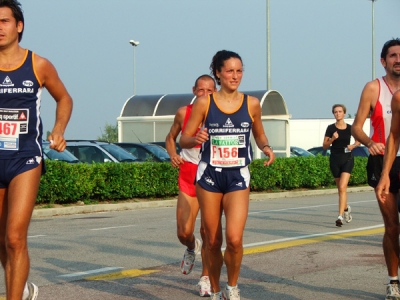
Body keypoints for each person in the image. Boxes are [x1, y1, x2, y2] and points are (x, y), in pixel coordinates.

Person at [180, 50, 275, 300]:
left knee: (233, 239)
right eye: (230, 71)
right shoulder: (204, 103)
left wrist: (266, 147)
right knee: (212, 241)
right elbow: (184, 138)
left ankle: (232, 287)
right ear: (218, 73)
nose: (235, 75)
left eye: (239, 70)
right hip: (210, 176)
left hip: (237, 177)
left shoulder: (252, 103)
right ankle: (214, 288)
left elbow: (259, 133)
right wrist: (195, 137)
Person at [0, 1, 73, 299]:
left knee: (15, 238)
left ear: (19, 26)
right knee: (2, 241)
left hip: (25, 159)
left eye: (4, 21)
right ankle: (24, 288)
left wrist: (58, 130)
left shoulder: (38, 65)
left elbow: (64, 98)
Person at [352, 38, 400, 299]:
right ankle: (393, 281)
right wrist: (369, 142)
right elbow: (356, 126)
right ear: (384, 61)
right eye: (393, 55)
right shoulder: (373, 88)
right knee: (392, 226)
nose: (398, 60)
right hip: (382, 161)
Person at [165, 74, 216, 297]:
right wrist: (173, 154)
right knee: (184, 232)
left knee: (207, 231)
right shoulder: (184, 113)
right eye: (201, 90)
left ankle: (205, 277)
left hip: (211, 174)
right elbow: (170, 137)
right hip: (188, 172)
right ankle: (190, 247)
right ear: (194, 90)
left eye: (210, 91)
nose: (205, 94)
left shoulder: (221, 113)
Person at [323, 104, 360, 227]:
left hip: (347, 159)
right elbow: (324, 145)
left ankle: (339, 217)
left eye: (340, 111)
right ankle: (345, 208)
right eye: (335, 112)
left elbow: (358, 140)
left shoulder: (350, 128)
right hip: (335, 159)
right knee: (340, 189)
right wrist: (332, 139)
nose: (338, 114)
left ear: (344, 113)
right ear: (333, 114)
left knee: (343, 186)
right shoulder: (330, 128)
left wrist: (353, 145)